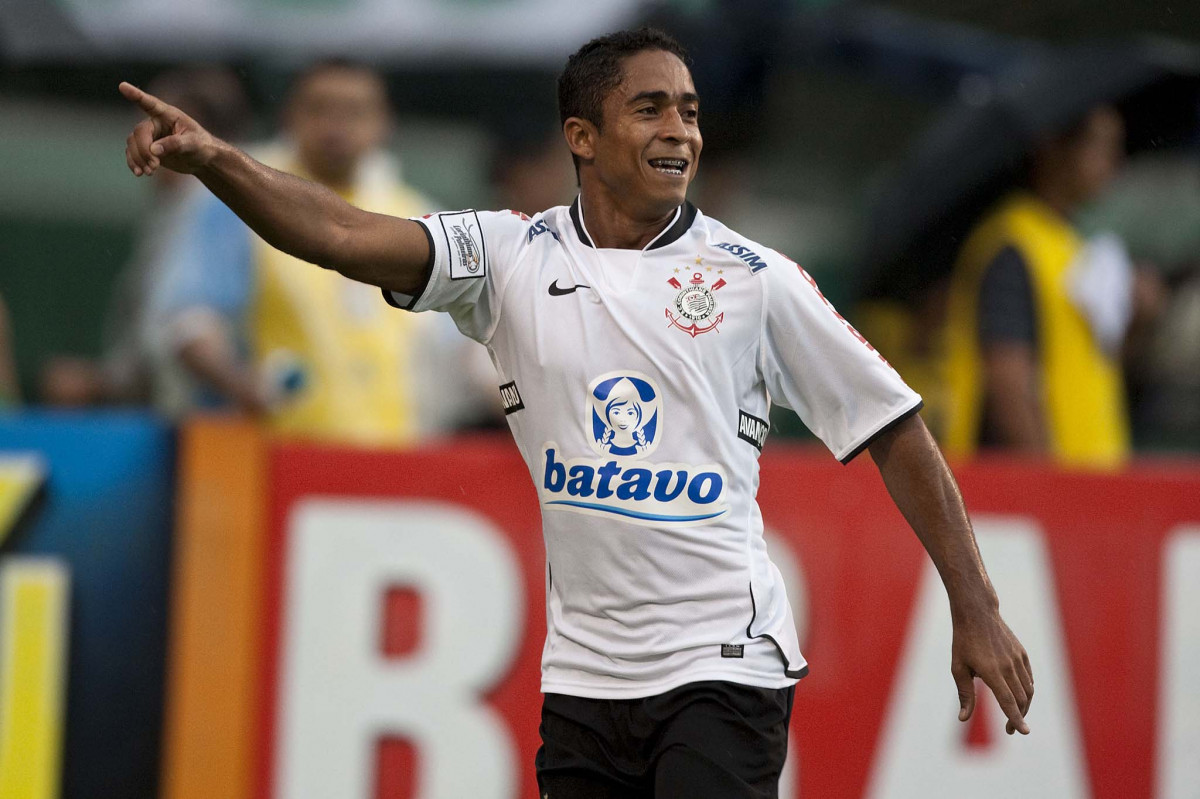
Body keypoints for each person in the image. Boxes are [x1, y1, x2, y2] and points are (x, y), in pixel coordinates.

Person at [120, 28, 1033, 797]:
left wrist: (975, 604)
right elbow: (341, 234)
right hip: (585, 681)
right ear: (582, 135)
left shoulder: (756, 282)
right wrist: (215, 159)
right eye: (651, 108)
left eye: (690, 110)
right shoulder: (508, 255)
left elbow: (895, 427)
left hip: (722, 663)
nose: (681, 130)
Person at [146, 58, 496, 443]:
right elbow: (190, 320)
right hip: (273, 455)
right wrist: (243, 387)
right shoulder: (236, 195)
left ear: (384, 122)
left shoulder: (417, 216)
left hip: (399, 458)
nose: (336, 126)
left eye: (353, 111)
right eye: (320, 109)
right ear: (289, 116)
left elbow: (466, 347)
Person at [940, 104, 1158, 467]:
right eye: (1100, 146)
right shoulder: (1013, 244)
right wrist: (1050, 487)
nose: (1114, 163)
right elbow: (1008, 380)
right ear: (1053, 147)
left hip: (1093, 474)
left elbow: (1099, 368)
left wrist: (1138, 319)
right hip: (1035, 498)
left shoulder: (1073, 246)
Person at [39, 66, 249, 409]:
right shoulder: (173, 208)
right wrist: (102, 381)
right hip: (179, 413)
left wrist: (245, 391)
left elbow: (191, 329)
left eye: (156, 125)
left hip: (217, 426)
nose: (139, 136)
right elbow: (158, 343)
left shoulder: (214, 204)